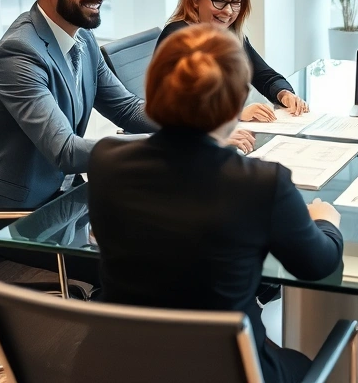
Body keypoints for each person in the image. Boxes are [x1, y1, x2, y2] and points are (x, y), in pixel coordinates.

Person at [88, 24, 344, 383]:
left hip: (120, 365)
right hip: (232, 370)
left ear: (154, 90)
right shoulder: (261, 184)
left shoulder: (106, 159)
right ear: (237, 100)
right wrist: (324, 221)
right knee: (306, 360)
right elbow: (317, 266)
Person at [0, 0, 158, 282]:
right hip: (15, 221)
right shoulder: (19, 53)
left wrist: (199, 123)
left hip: (62, 204)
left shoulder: (81, 37)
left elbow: (127, 109)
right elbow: (65, 151)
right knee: (141, 266)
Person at [157, 0, 309, 130]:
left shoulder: (229, 33)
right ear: (195, 0)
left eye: (236, 2)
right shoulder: (178, 37)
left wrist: (284, 94)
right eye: (219, 1)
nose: (228, 11)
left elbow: (264, 75)